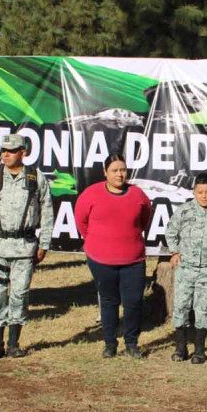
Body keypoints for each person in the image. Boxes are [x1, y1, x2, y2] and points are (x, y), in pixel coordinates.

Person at [0, 133, 53, 359]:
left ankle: (14, 343)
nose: (5, 154)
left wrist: (44, 243)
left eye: (11, 150)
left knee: (19, 294)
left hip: (25, 247)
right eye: (3, 151)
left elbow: (47, 212)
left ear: (23, 152)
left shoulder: (36, 178)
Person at [75, 154, 152, 359]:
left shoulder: (138, 195)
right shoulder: (90, 194)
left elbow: (145, 219)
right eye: (115, 170)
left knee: (133, 301)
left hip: (133, 260)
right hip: (101, 260)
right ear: (105, 172)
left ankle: (131, 343)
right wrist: (98, 241)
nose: (120, 174)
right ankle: (110, 343)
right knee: (109, 301)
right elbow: (81, 222)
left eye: (123, 170)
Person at [165, 173, 207, 364]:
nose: (204, 196)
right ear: (194, 192)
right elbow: (171, 230)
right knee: (181, 307)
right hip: (185, 268)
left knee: (203, 309)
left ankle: (200, 350)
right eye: (200, 192)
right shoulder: (184, 210)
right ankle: (180, 348)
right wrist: (174, 252)